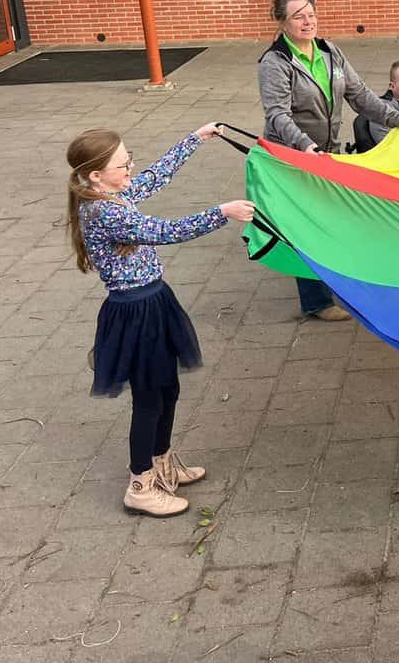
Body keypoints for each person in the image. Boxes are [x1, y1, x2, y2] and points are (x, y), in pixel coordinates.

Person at [65, 125, 257, 518]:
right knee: (150, 398)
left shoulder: (113, 192)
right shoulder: (104, 210)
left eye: (129, 158)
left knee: (167, 389)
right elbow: (164, 231)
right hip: (134, 312)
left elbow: (156, 176)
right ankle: (140, 484)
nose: (131, 167)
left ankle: (162, 462)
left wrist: (196, 138)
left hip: (154, 301)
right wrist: (223, 213)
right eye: (123, 164)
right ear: (96, 175)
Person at [257, 0, 399, 321]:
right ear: (282, 22)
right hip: (293, 158)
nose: (307, 21)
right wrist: (304, 146)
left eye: (311, 14)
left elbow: (360, 96)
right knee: (306, 227)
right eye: (298, 16)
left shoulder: (330, 52)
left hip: (327, 154)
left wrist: (396, 118)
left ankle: (344, 285)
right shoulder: (275, 63)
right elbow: (277, 115)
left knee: (335, 220)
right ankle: (316, 302)